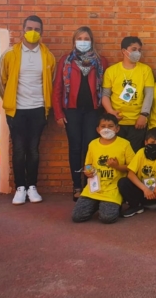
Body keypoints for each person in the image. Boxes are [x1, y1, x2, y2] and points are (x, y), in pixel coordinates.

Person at [0, 15, 56, 205]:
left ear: (42, 32)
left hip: (39, 109)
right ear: (23, 29)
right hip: (17, 110)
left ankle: (32, 186)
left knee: (33, 149)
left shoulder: (48, 56)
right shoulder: (10, 54)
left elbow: (51, 81)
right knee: (19, 148)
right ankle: (20, 188)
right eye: (29, 28)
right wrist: (8, 101)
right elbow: (1, 79)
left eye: (37, 29)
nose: (33, 32)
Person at [52, 26, 108, 201]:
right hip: (72, 111)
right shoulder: (65, 60)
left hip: (93, 111)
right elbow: (58, 89)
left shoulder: (101, 61)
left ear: (91, 41)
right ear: (74, 40)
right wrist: (58, 113)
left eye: (86, 38)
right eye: (80, 38)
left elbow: (106, 88)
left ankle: (89, 184)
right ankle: (77, 185)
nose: (83, 41)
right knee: (75, 148)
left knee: (90, 148)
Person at [71, 114, 135, 224]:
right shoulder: (93, 144)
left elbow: (133, 167)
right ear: (97, 129)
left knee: (107, 218)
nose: (106, 129)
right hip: (94, 187)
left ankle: (110, 205)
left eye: (110, 126)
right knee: (77, 216)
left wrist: (117, 166)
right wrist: (87, 171)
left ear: (117, 128)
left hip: (112, 189)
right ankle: (96, 203)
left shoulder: (124, 144)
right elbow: (88, 164)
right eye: (103, 126)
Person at [102, 37, 154, 152]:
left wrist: (143, 115)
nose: (137, 53)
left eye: (139, 50)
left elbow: (149, 94)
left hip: (137, 122)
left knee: (134, 156)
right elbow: (105, 94)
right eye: (134, 49)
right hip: (117, 122)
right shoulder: (111, 71)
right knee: (117, 154)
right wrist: (110, 112)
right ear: (124, 51)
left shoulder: (145, 70)